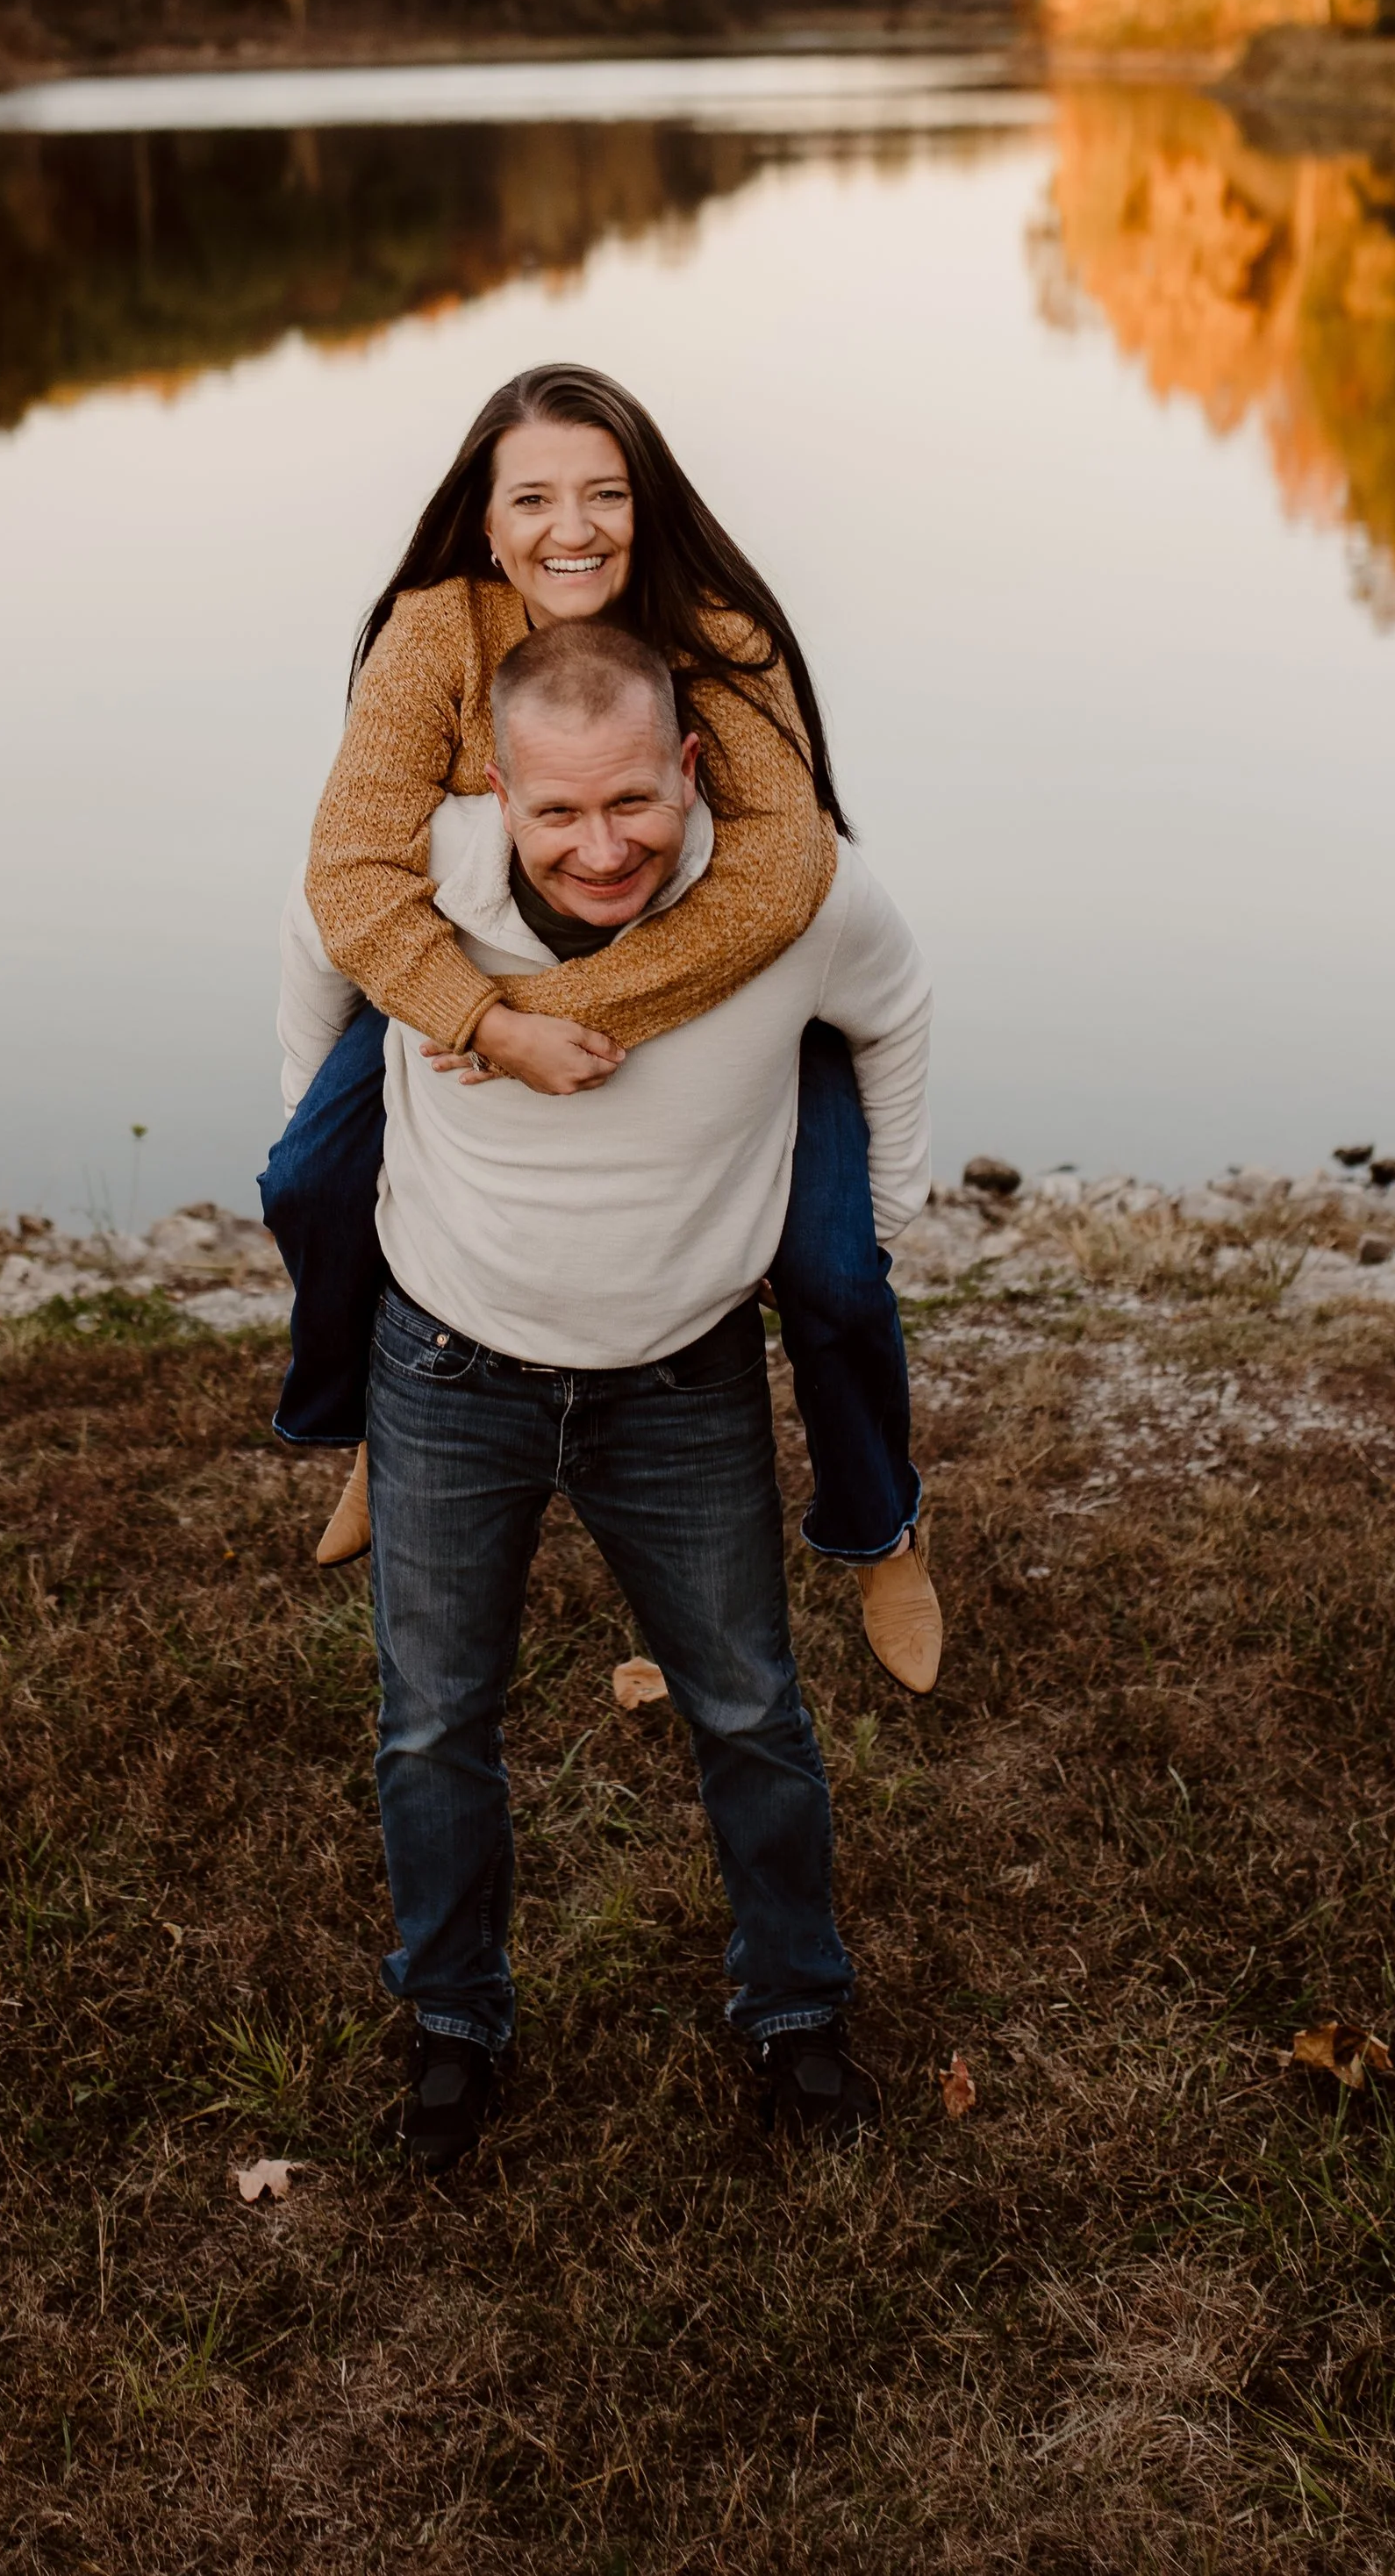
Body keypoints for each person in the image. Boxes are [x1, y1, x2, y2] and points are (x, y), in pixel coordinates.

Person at [276, 619, 932, 2165]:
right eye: (556, 811)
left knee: (751, 1714)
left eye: (633, 802)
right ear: (495, 788)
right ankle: (453, 2021)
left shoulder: (798, 891)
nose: (599, 846)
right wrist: (332, 1138)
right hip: (448, 1367)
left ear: (691, 766)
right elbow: (320, 956)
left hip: (682, 1379)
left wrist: (871, 1227)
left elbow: (895, 1013)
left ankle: (796, 2014)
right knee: (434, 1723)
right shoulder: (423, 871)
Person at [261, 360, 941, 1692]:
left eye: (604, 494)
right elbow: (345, 875)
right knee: (309, 1176)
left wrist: (543, 1016)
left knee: (839, 1277)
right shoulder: (433, 633)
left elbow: (775, 875)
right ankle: (368, 1434)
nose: (572, 529)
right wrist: (468, 1016)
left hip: (721, 981)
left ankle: (879, 1529)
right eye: (534, 498)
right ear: (486, 514)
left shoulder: (716, 634)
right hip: (465, 981)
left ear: (648, 504)